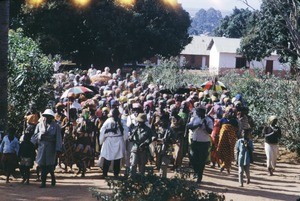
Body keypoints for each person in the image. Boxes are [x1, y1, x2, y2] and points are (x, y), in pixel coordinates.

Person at [31, 109, 62, 188]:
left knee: (50, 165)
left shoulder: (56, 126)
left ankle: (52, 177)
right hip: (41, 147)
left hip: (51, 147)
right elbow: (35, 135)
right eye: (46, 116)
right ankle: (43, 182)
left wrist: (58, 149)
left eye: (49, 117)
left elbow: (58, 138)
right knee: (42, 165)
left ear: (52, 117)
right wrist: (35, 142)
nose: (47, 118)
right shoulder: (39, 125)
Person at [187, 106, 213, 183]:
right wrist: (197, 125)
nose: (198, 113)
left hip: (204, 142)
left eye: (199, 112)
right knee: (192, 158)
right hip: (195, 141)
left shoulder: (208, 120)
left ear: (203, 112)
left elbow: (210, 131)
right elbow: (189, 126)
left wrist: (205, 125)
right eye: (197, 112)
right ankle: (196, 172)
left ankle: (199, 176)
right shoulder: (194, 118)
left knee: (201, 160)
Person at [99, 108, 125, 178]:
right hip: (117, 140)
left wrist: (101, 141)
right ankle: (114, 174)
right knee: (116, 159)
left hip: (110, 140)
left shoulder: (109, 121)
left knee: (108, 158)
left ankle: (106, 173)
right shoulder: (121, 121)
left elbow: (102, 131)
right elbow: (125, 133)